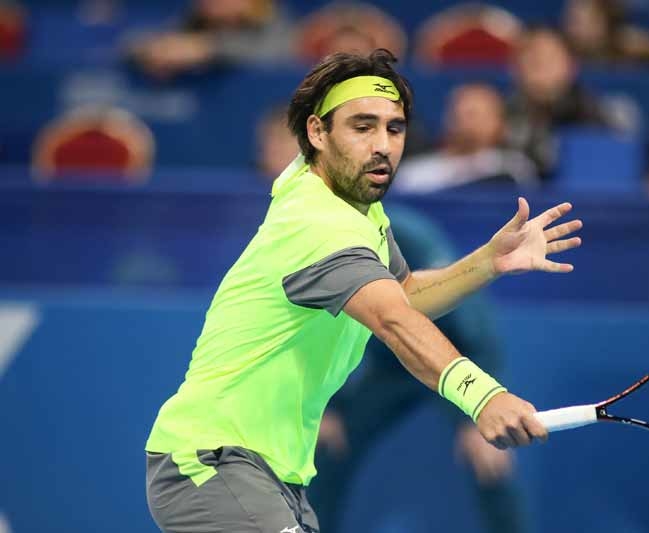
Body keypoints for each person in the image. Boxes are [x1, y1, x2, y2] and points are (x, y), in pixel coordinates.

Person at [145, 49, 582, 532]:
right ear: (317, 132)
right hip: (215, 462)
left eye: (394, 129)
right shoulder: (318, 224)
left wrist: (486, 263)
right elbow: (393, 320)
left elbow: (404, 295)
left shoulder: (346, 203)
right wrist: (483, 397)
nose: (383, 145)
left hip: (270, 476)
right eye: (362, 127)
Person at [311, 204, 529, 532]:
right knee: (329, 442)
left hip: (453, 355)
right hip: (390, 366)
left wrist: (482, 408)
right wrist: (328, 406)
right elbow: (323, 330)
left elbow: (473, 325)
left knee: (490, 448)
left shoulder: (410, 236)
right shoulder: (319, 244)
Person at [505, 26, 620, 180]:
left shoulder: (593, 116)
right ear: (515, 68)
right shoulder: (500, 117)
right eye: (532, 58)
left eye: (549, 58)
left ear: (571, 66)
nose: (540, 66)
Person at [395, 82, 537, 192]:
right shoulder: (414, 174)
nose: (465, 121)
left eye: (475, 114)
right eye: (459, 113)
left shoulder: (514, 169)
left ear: (499, 123)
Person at [125, 0, 294, 80]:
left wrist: (209, 49)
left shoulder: (274, 23)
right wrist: (154, 51)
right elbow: (131, 43)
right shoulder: (192, 22)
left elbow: (276, 52)